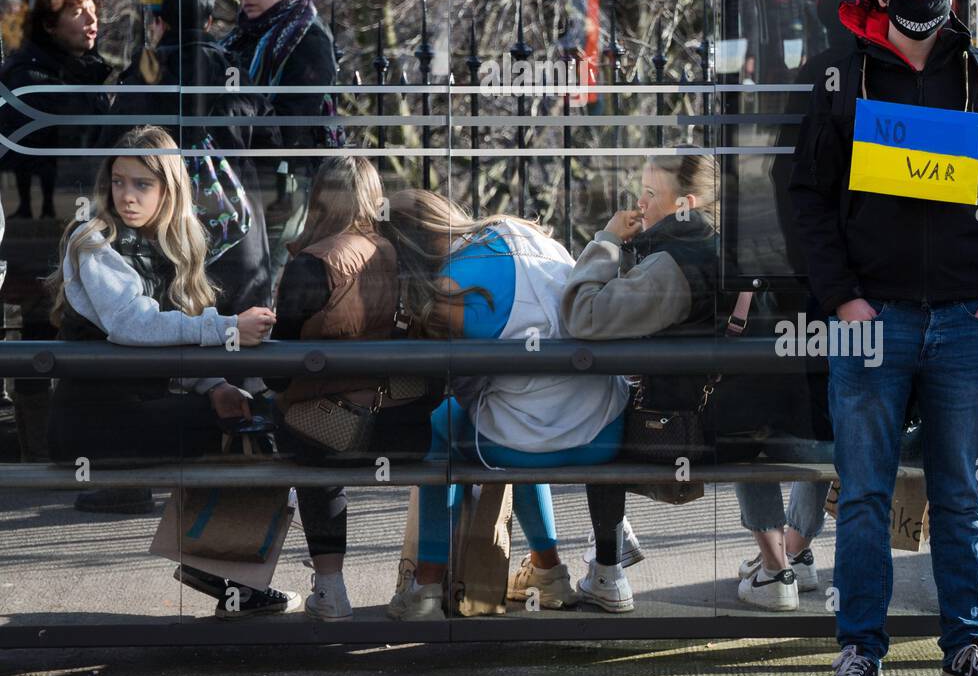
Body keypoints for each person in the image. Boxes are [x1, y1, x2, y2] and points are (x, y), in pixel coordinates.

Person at [790, 0, 978, 676]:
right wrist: (842, 298)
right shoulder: (839, 76)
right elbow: (808, 199)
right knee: (863, 493)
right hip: (873, 319)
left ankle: (967, 644)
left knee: (959, 491)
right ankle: (860, 650)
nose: (937, 4)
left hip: (966, 319)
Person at [44, 124, 295, 619]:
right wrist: (227, 329)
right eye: (119, 182)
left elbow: (165, 335)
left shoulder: (171, 243)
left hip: (139, 412)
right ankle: (227, 573)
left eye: (142, 184)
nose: (127, 196)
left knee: (250, 417)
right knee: (261, 429)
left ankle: (220, 569)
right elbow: (132, 325)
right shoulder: (92, 238)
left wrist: (214, 384)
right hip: (92, 423)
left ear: (170, 189)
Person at [380, 189, 631, 620]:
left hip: (532, 438)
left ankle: (424, 588)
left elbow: (453, 387)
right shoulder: (514, 229)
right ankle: (547, 572)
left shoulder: (447, 292)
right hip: (605, 428)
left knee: (442, 427)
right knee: (521, 408)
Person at [271, 156, 441, 622]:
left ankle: (329, 589)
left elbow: (279, 371)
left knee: (275, 431)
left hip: (327, 431)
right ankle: (424, 587)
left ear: (319, 197)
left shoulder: (313, 263)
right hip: (401, 429)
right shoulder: (395, 252)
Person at [561, 155, 725, 607]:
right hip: (741, 419)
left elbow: (582, 314)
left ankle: (608, 569)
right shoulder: (729, 246)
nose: (639, 203)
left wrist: (608, 240)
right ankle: (613, 548)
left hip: (684, 432)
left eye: (651, 194)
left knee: (599, 427)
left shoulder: (670, 267)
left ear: (686, 204)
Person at [0, 0, 112, 465]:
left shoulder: (87, 70)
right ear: (49, 23)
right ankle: (42, 453)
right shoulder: (27, 75)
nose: (91, 21)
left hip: (81, 225)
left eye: (93, 10)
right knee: (40, 333)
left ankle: (71, 445)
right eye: (76, 11)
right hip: (36, 228)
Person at [116, 0, 271, 317]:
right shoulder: (234, 75)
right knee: (242, 357)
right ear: (210, 21)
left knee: (177, 353)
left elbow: (106, 156)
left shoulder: (143, 79)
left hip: (167, 250)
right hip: (238, 239)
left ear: (158, 22)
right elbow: (273, 146)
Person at [220, 0, 342, 285]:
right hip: (237, 179)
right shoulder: (237, 41)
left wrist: (239, 108)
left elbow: (292, 123)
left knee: (263, 281)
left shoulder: (308, 37)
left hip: (284, 184)